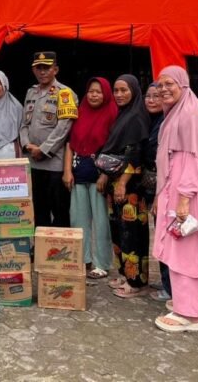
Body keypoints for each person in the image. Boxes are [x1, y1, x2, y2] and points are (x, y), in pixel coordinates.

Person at [152, 66, 198, 333]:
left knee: (184, 251)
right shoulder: (181, 112)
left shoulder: (190, 114)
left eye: (170, 84)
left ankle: (187, 314)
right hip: (179, 188)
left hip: (185, 191)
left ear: (184, 84)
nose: (164, 89)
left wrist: (183, 200)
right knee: (185, 248)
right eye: (160, 85)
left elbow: (193, 158)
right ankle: (194, 305)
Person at [99, 74, 151, 298]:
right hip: (115, 183)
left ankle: (136, 281)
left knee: (132, 234)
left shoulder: (138, 117)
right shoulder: (123, 115)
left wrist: (122, 183)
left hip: (130, 187)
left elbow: (135, 154)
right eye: (116, 91)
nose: (119, 95)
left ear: (134, 91)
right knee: (119, 231)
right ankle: (124, 273)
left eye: (124, 90)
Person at [63, 77, 118, 280]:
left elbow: (114, 148)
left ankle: (101, 262)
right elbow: (70, 143)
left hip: (99, 178)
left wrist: (106, 174)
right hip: (78, 175)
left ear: (106, 94)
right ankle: (82, 259)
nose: (94, 95)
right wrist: (67, 171)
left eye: (99, 92)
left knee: (101, 221)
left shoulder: (112, 113)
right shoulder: (80, 112)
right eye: (91, 91)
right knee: (78, 219)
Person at [20, 51, 78, 227]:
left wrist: (43, 150)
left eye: (46, 68)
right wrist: (26, 144)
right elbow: (24, 124)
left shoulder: (65, 93)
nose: (42, 72)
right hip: (32, 163)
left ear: (56, 70)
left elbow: (64, 128)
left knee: (60, 210)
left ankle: (60, 249)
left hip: (54, 164)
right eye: (38, 68)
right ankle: (41, 249)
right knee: (38, 210)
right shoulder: (31, 92)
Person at [144, 83, 171, 302]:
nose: (152, 100)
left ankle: (171, 287)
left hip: (164, 187)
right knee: (160, 233)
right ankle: (165, 280)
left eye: (157, 96)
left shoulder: (168, 122)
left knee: (167, 235)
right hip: (153, 185)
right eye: (149, 96)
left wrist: (159, 195)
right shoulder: (152, 121)